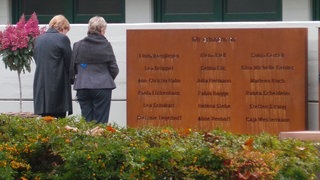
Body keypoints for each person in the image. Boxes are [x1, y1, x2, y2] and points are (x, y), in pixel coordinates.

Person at [70, 16, 119, 124]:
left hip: (82, 86)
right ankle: (98, 140)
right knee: (100, 123)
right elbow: (114, 68)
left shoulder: (77, 45)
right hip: (102, 86)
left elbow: (73, 68)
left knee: (87, 121)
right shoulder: (106, 45)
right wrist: (105, 77)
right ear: (102, 30)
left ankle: (88, 140)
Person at [33, 15, 73, 118]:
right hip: (57, 85)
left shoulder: (38, 39)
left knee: (45, 123)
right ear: (62, 27)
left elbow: (37, 59)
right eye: (66, 30)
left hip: (41, 85)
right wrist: (72, 79)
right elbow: (70, 62)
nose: (66, 33)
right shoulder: (62, 38)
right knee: (58, 123)